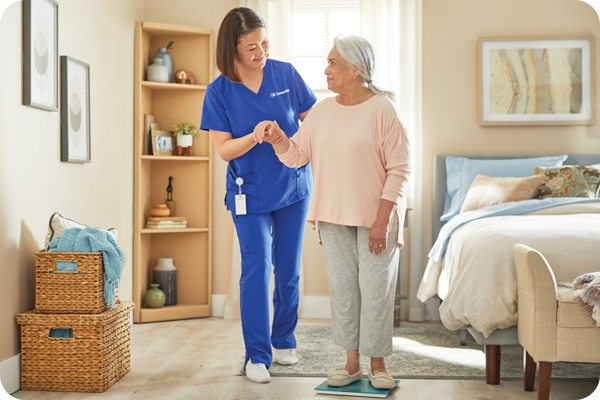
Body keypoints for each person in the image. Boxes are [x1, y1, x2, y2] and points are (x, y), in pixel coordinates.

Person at [254, 35, 411, 390]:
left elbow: (400, 169)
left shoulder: (383, 109)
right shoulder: (323, 111)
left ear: (356, 70)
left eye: (333, 63)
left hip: (377, 218)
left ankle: (379, 366)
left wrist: (382, 220)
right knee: (343, 292)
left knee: (375, 293)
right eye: (327, 63)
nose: (326, 70)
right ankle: (351, 364)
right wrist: (279, 137)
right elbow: (297, 156)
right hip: (333, 216)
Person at [199, 7, 317, 384]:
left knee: (288, 270)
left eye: (264, 43)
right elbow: (224, 150)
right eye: (251, 47)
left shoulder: (285, 73)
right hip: (248, 192)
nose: (260, 52)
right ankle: (256, 356)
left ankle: (284, 340)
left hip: (292, 187)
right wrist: (255, 135)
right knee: (255, 270)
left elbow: (312, 121)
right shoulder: (218, 91)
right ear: (231, 49)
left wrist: (290, 139)